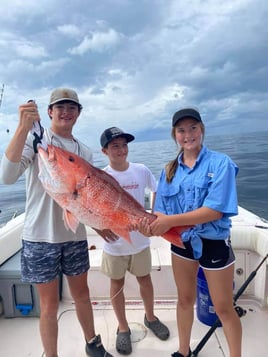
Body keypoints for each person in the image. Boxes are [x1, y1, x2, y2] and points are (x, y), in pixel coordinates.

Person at [0, 88, 113, 357]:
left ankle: (93, 344)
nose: (66, 111)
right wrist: (21, 127)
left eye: (72, 107)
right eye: (59, 107)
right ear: (49, 112)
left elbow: (88, 200)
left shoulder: (84, 151)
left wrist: (101, 225)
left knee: (82, 295)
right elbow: (7, 176)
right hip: (40, 237)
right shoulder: (35, 140)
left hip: (74, 237)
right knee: (49, 305)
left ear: (78, 113)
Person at [138, 108, 242, 357]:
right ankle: (183, 351)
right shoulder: (169, 171)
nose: (188, 135)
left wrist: (168, 221)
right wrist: (149, 226)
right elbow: (160, 214)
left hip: (213, 243)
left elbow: (215, 211)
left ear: (202, 129)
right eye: (181, 130)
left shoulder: (221, 163)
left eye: (193, 128)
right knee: (184, 300)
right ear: (174, 135)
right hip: (181, 244)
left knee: (224, 308)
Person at [97, 127, 170, 355]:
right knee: (116, 285)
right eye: (115, 146)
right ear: (105, 151)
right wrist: (100, 229)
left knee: (145, 279)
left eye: (124, 145)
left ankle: (150, 317)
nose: (121, 150)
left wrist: (153, 215)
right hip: (114, 244)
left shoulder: (141, 170)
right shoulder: (101, 176)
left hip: (140, 241)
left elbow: (156, 189)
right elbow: (95, 208)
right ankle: (123, 328)